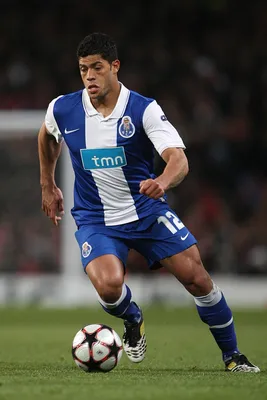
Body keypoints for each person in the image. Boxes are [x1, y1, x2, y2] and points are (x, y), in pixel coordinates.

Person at [38, 32, 259, 372]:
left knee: (197, 278)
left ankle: (233, 357)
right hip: (96, 218)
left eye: (97, 68)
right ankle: (133, 317)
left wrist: (162, 181)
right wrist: (47, 184)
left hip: (145, 211)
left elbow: (178, 159)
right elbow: (47, 135)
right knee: (109, 287)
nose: (90, 77)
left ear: (115, 67)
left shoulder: (143, 109)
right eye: (83, 70)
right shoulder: (64, 108)